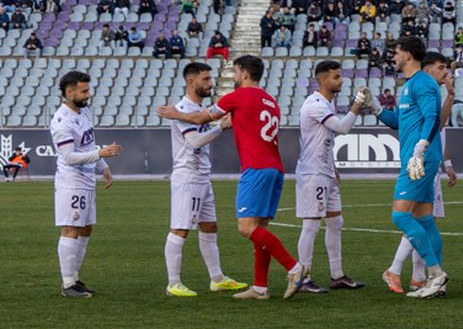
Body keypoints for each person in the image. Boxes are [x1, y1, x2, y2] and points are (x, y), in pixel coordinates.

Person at [160, 55, 307, 299]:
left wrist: (174, 114)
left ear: (245, 74)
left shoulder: (235, 97)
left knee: (246, 228)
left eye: (235, 72)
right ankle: (259, 287)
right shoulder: (271, 100)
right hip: (273, 168)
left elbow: (199, 120)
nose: (232, 77)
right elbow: (199, 134)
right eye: (206, 79)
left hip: (255, 168)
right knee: (256, 228)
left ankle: (294, 267)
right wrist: (217, 125)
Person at [163, 62, 246, 297]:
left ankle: (217, 278)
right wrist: (221, 127)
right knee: (180, 229)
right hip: (187, 177)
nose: (210, 83)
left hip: (202, 177)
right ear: (191, 82)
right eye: (206, 79)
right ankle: (173, 283)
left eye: (210, 79)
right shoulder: (181, 108)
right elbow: (195, 142)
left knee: (210, 226)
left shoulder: (199, 110)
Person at [293, 60, 370, 293]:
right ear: (322, 79)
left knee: (336, 222)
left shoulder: (325, 103)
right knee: (311, 226)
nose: (341, 80)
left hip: (325, 172)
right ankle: (302, 278)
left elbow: (325, 140)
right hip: (313, 173)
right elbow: (342, 128)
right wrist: (357, 105)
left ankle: (337, 275)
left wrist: (334, 167)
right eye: (336, 77)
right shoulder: (315, 104)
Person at [387, 38, 448, 298]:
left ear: (408, 55)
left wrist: (420, 148)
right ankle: (436, 278)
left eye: (396, 53)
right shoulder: (412, 84)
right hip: (420, 157)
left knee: (400, 215)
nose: (393, 57)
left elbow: (433, 117)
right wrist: (375, 108)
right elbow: (399, 121)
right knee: (424, 219)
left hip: (419, 159)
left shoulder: (421, 83)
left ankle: (435, 273)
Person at [51, 71, 121, 297]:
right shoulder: (61, 121)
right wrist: (101, 153)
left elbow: (88, 144)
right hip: (72, 181)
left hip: (88, 178)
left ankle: (75, 278)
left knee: (86, 227)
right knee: (71, 228)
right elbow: (70, 156)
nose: (88, 94)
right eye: (84, 91)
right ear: (69, 93)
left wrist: (103, 166)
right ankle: (67, 284)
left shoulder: (84, 111)